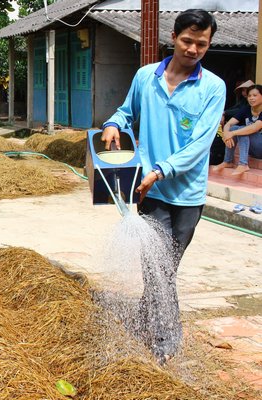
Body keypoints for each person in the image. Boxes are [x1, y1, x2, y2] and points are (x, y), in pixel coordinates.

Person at [101, 9, 226, 363]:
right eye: (188, 40)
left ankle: (151, 327)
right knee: (157, 269)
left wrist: (160, 169)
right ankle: (165, 344)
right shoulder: (145, 77)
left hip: (186, 197)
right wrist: (113, 123)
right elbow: (127, 111)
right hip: (150, 193)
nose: (193, 49)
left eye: (202, 44)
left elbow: (201, 144)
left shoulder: (213, 87)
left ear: (209, 44)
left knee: (163, 270)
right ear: (173, 37)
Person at [214, 84, 262, 175]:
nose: (251, 98)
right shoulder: (247, 109)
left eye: (255, 95)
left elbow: (255, 127)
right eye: (249, 96)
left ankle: (243, 164)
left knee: (241, 130)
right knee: (234, 128)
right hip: (253, 149)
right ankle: (228, 161)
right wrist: (226, 134)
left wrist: (232, 133)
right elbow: (229, 124)